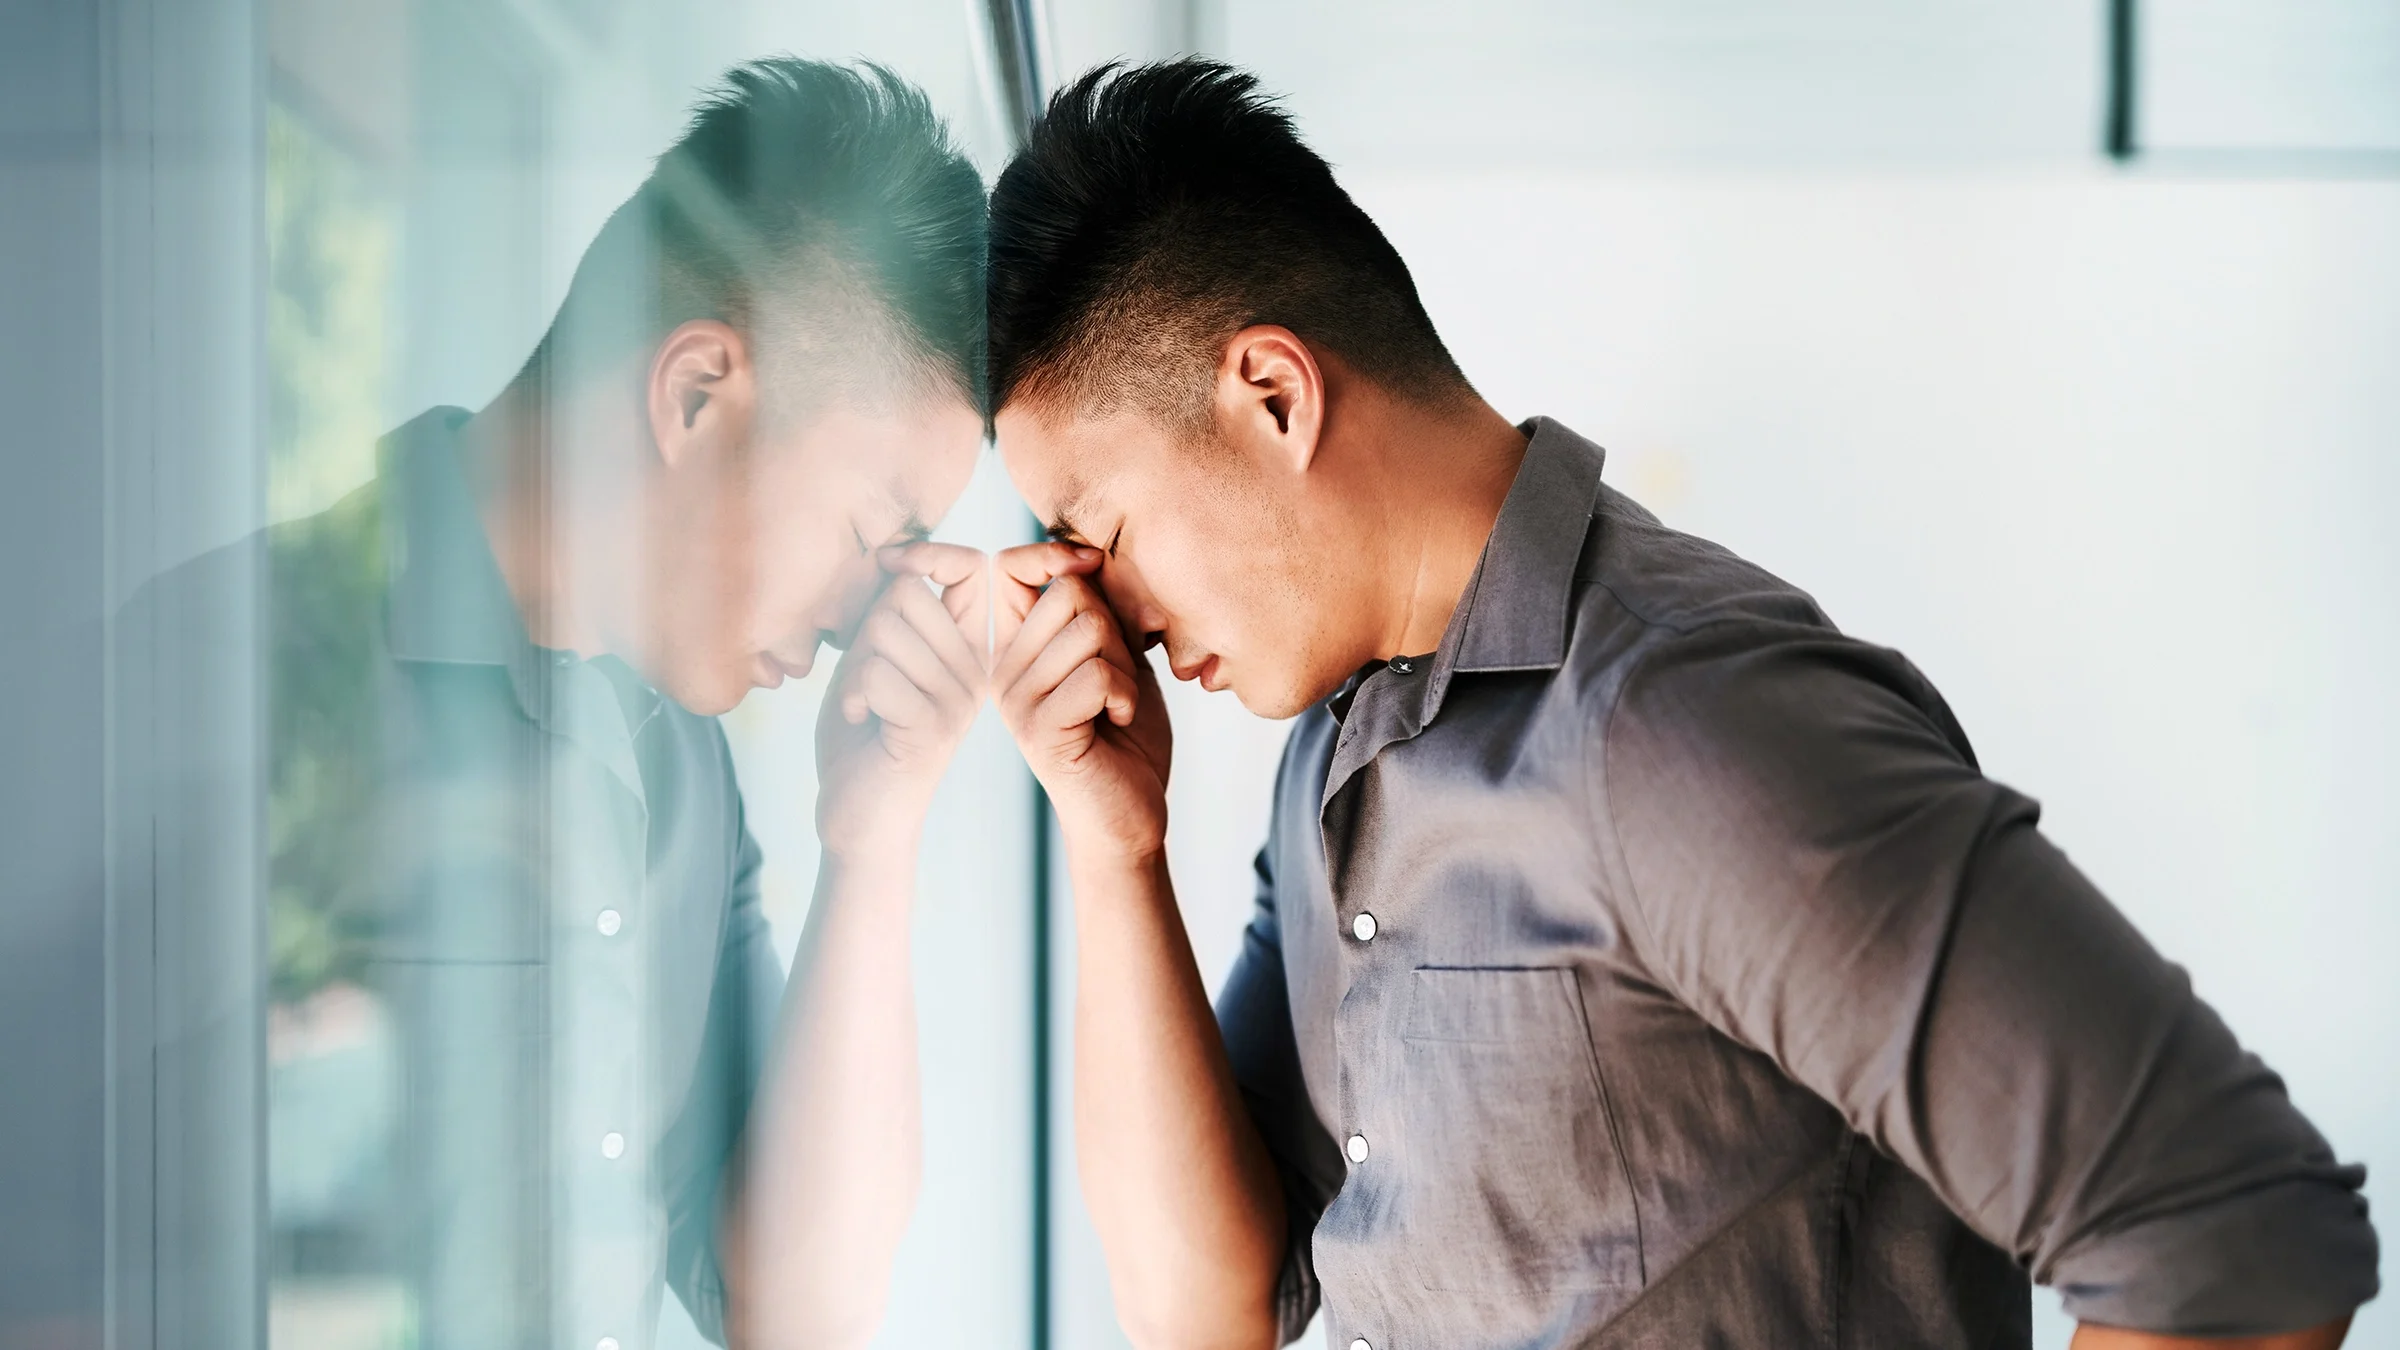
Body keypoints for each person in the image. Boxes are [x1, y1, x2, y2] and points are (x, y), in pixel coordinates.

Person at [983, 59, 2379, 1350]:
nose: (1095, 603)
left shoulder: (1680, 724)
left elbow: (2230, 1227)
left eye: (1096, 529)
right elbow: (1206, 1306)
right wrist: (1116, 848)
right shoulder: (1333, 759)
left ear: (1274, 398)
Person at [233, 58, 987, 1348]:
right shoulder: (246, 668)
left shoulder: (678, 764)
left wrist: (875, 844)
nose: (880, 608)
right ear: (696, 395)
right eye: (880, 529)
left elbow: (797, 1316)